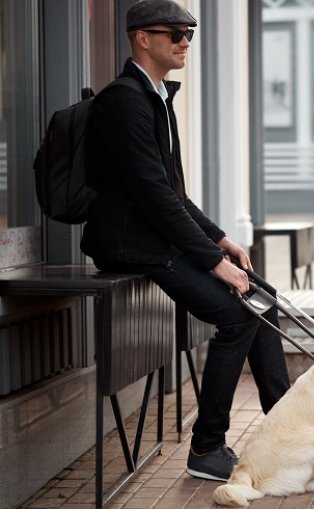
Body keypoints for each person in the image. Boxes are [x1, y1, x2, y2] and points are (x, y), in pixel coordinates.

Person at [81, 0, 290, 481]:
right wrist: (214, 264)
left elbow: (173, 193)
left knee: (263, 300)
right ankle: (207, 449)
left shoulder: (156, 96)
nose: (184, 43)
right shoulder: (124, 101)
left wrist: (219, 239)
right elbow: (152, 196)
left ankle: (284, 427)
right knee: (238, 315)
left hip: (156, 235)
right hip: (130, 242)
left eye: (190, 34)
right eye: (174, 33)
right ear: (142, 38)